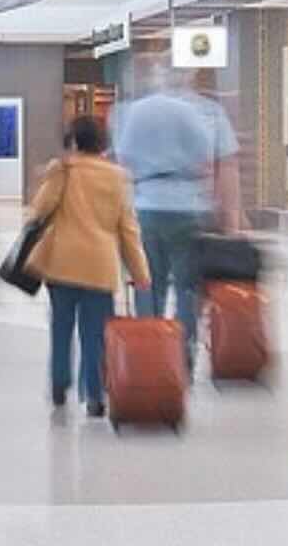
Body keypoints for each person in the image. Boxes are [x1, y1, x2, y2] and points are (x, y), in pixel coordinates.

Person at [113, 62, 236, 374]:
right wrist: (223, 211)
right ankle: (183, 354)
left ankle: (148, 349)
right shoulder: (193, 112)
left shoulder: (134, 113)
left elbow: (123, 163)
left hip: (145, 206)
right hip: (186, 208)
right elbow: (207, 163)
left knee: (147, 282)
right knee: (186, 286)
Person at [23, 115, 151, 417]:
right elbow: (128, 229)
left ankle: (59, 384)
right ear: (102, 142)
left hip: (60, 264)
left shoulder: (63, 171)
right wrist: (140, 272)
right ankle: (95, 395)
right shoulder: (117, 177)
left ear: (74, 140)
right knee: (95, 334)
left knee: (61, 326)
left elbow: (38, 211)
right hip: (99, 266)